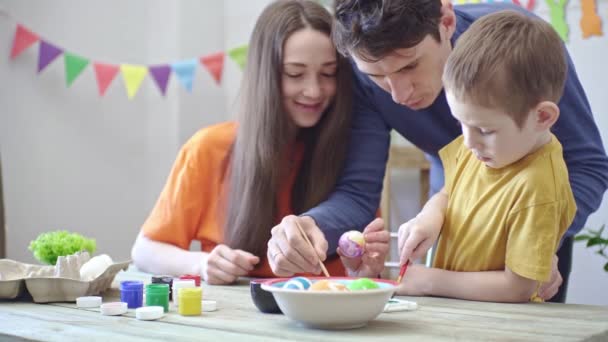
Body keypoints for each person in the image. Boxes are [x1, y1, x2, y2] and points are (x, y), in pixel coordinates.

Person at [268, 0, 608, 303]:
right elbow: (358, 192)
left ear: (445, 21)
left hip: (530, 224)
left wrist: (539, 239)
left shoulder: (520, 46)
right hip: (449, 236)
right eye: (377, 75)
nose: (398, 95)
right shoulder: (362, 80)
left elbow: (587, 165)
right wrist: (312, 225)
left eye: (408, 66)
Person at [130, 0, 389, 285]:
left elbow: (364, 266)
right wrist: (202, 263)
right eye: (295, 74)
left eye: (328, 73)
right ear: (265, 74)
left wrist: (365, 267)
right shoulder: (209, 148)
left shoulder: (354, 154)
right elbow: (144, 250)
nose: (314, 90)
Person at [393, 10, 575, 302]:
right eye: (460, 123)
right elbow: (451, 192)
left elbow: (518, 287)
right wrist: (429, 218)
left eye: (485, 129)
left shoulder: (538, 184)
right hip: (457, 315)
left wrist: (430, 281)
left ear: (542, 116)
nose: (468, 141)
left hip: (501, 326)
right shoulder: (483, 148)